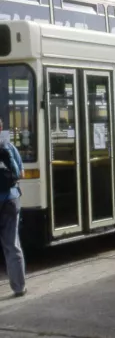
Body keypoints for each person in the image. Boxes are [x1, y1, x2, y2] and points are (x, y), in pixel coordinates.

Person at [0, 118, 26, 297]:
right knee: (12, 244)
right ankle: (19, 287)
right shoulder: (9, 147)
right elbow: (20, 174)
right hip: (10, 200)